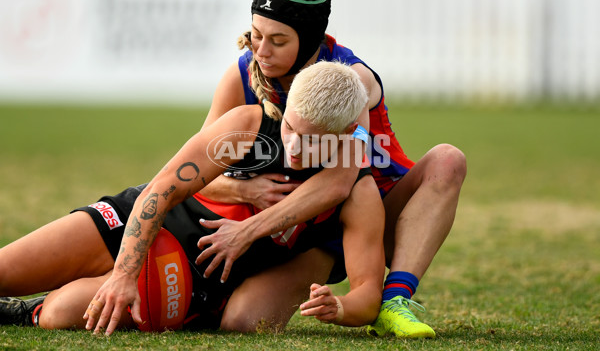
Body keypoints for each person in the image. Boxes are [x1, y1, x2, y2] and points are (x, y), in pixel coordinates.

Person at [0, 61, 385, 334]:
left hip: (190, 274)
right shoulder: (249, 127)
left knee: (59, 313)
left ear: (349, 130)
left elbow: (368, 293)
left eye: (313, 138)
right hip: (138, 221)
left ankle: (29, 311)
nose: (295, 147)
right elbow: (160, 189)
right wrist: (122, 274)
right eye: (290, 127)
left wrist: (341, 307)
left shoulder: (356, 192)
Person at [191, 0, 467, 338]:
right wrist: (246, 190)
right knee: (244, 323)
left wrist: (246, 232)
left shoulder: (352, 82)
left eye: (278, 40)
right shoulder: (241, 75)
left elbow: (339, 185)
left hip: (372, 217)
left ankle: (395, 300)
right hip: (304, 231)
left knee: (447, 160)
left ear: (309, 40)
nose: (261, 50)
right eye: (256, 35)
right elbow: (197, 176)